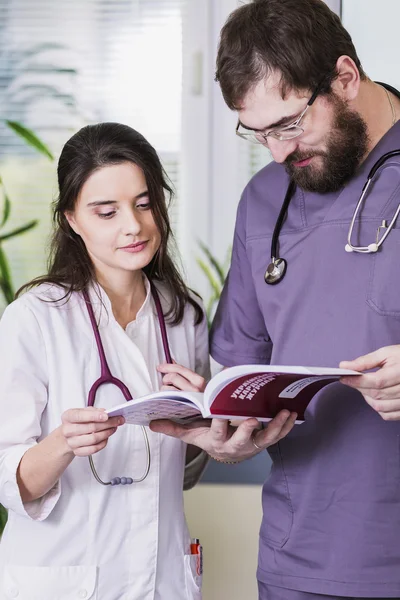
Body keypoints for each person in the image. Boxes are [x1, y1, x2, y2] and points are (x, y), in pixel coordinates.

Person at [150, 1, 400, 598]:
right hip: (299, 561)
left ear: (345, 77)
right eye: (257, 132)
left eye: (288, 124)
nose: (278, 153)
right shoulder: (264, 199)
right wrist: (224, 431)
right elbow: (241, 371)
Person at [0, 122, 211, 600]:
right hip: (63, 578)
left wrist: (200, 423)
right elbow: (9, 479)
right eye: (106, 211)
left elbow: (185, 466)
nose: (133, 225)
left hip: (162, 579)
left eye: (143, 202)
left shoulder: (183, 315)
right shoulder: (34, 319)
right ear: (72, 219)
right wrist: (63, 444)